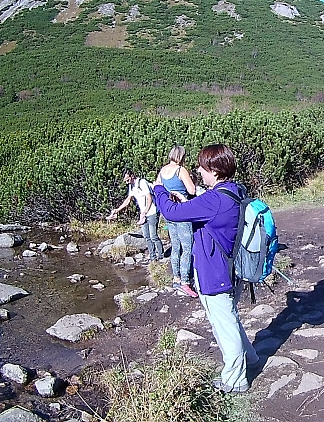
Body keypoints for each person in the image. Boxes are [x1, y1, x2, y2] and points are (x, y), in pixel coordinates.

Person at [151, 144, 258, 393]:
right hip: (234, 267)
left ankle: (235, 380)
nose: (198, 170)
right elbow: (206, 211)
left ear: (214, 169)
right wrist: (187, 200)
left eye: (202, 166)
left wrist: (158, 189)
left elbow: (170, 213)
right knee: (229, 316)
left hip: (216, 272)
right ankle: (250, 358)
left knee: (224, 324)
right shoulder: (234, 191)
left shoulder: (214, 199)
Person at [157, 146, 198, 298]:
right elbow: (192, 190)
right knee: (187, 247)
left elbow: (157, 186)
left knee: (175, 246)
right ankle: (185, 282)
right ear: (182, 156)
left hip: (169, 211)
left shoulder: (163, 170)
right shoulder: (181, 171)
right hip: (182, 210)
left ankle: (176, 278)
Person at [107, 168, 164, 261]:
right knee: (146, 236)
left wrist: (145, 212)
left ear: (132, 176)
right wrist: (117, 210)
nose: (127, 183)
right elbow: (128, 200)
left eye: (128, 180)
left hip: (152, 212)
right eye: (125, 181)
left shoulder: (142, 183)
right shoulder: (131, 186)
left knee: (153, 235)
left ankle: (161, 255)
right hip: (143, 214)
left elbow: (149, 198)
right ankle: (153, 257)